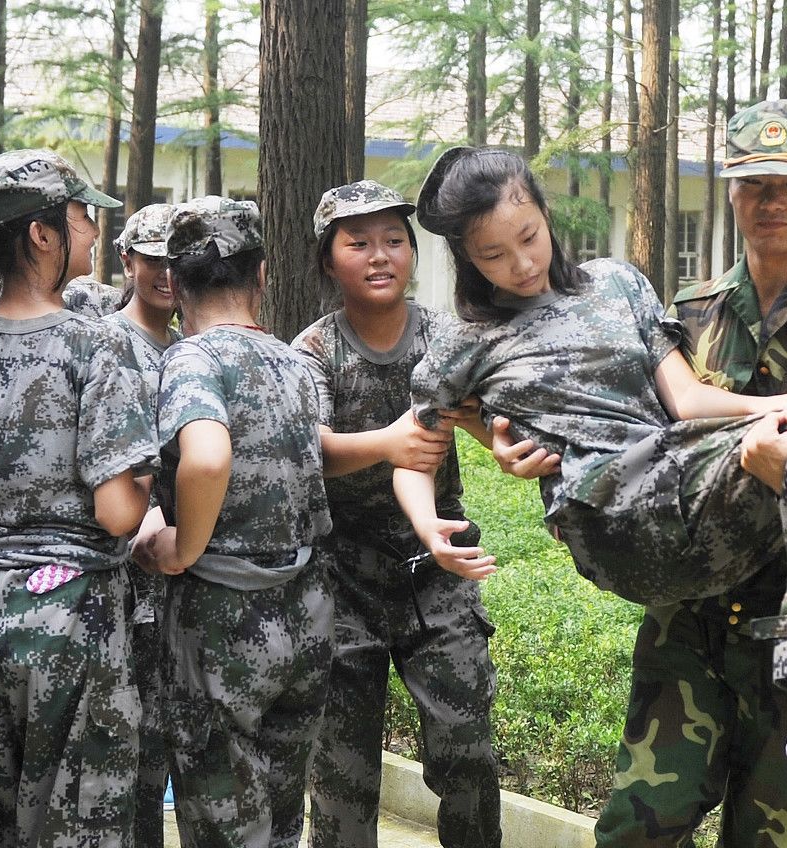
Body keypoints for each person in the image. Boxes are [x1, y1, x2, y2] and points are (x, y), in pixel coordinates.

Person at [396, 146, 787, 805]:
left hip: (679, 483)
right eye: (493, 255)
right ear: (466, 259)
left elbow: (690, 404)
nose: (522, 264)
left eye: (528, 237)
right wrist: (430, 525)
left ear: (544, 211)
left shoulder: (616, 283)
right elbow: (416, 446)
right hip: (613, 518)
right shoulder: (464, 338)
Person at [0, 149, 157, 845]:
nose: (93, 231)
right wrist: (151, 481)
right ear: (42, 235)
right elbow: (116, 512)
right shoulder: (96, 346)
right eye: (81, 217)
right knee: (76, 822)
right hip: (69, 613)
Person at [292, 181, 501, 848]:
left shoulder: (447, 336)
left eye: (394, 240)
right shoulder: (315, 350)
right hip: (342, 576)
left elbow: (500, 422)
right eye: (359, 244)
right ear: (329, 261)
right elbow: (310, 450)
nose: (380, 256)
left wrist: (483, 425)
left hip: (437, 572)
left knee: (467, 749)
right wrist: (388, 441)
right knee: (343, 776)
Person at [132, 196, 333, 848]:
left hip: (222, 620)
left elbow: (208, 455)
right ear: (264, 276)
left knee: (221, 826)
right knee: (281, 821)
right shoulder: (300, 365)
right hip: (304, 613)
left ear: (177, 282)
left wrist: (181, 547)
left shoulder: (191, 360)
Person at [106, 202, 179, 848]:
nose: (165, 272)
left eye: (176, 259)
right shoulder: (103, 343)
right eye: (152, 257)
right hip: (117, 586)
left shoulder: (190, 351)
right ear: (127, 260)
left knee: (158, 753)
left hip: (180, 581)